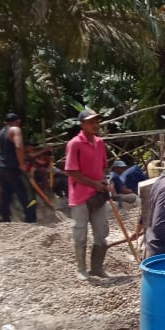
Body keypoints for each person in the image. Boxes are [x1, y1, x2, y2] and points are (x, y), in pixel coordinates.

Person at [65, 108, 111, 281]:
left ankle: (97, 268)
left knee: (101, 233)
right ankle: (81, 268)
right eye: (91, 122)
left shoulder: (100, 143)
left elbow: (103, 166)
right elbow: (71, 172)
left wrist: (105, 181)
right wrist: (94, 184)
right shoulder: (75, 143)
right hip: (80, 195)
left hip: (98, 194)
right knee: (80, 232)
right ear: (82, 124)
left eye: (96, 121)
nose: (95, 125)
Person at [0, 112, 37, 224]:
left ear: (5, 122)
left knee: (5, 194)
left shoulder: (1, 133)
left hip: (3, 168)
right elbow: (18, 147)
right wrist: (22, 164)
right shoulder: (15, 130)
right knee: (28, 194)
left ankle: (5, 219)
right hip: (14, 168)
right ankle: (31, 220)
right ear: (18, 121)